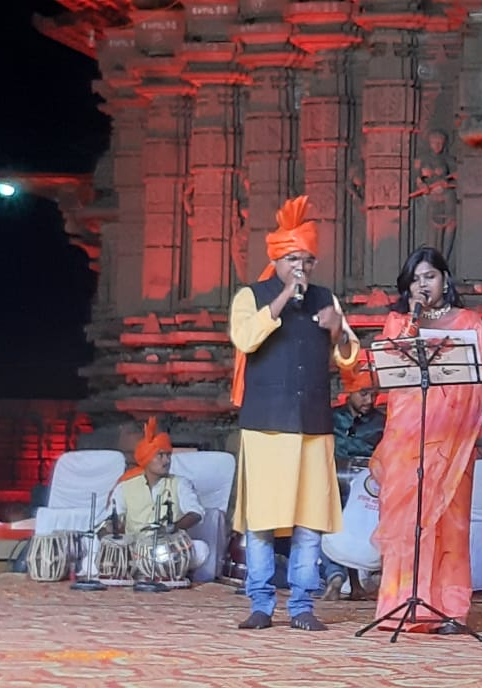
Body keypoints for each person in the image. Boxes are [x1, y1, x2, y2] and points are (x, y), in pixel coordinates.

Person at [228, 195, 359, 632]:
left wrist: (338, 330)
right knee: (262, 520)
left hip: (312, 425)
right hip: (265, 426)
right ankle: (261, 602)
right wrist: (285, 297)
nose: (299, 268)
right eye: (291, 260)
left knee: (309, 519)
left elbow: (349, 359)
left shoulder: (327, 300)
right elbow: (245, 339)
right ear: (276, 261)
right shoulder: (252, 296)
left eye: (305, 260)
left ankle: (303, 604)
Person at [360, 246, 482, 634]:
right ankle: (401, 603)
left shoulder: (469, 322)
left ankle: (451, 609)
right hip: (408, 439)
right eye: (416, 279)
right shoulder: (397, 322)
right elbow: (390, 373)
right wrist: (414, 322)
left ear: (445, 279)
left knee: (451, 523)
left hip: (452, 441)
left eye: (430, 276)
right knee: (408, 524)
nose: (423, 284)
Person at [105, 418, 209, 575]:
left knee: (201, 549)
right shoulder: (125, 487)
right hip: (135, 550)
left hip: (169, 550)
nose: (167, 460)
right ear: (146, 458)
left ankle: (161, 570)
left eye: (168, 455)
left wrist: (173, 527)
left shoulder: (180, 484)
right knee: (93, 548)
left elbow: (196, 512)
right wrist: (110, 533)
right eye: (160, 455)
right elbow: (111, 520)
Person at [322, 361, 385, 602]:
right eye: (364, 394)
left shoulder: (382, 422)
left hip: (368, 488)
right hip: (334, 483)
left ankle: (363, 580)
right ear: (349, 392)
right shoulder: (330, 418)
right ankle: (337, 576)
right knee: (326, 519)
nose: (369, 400)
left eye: (373, 395)